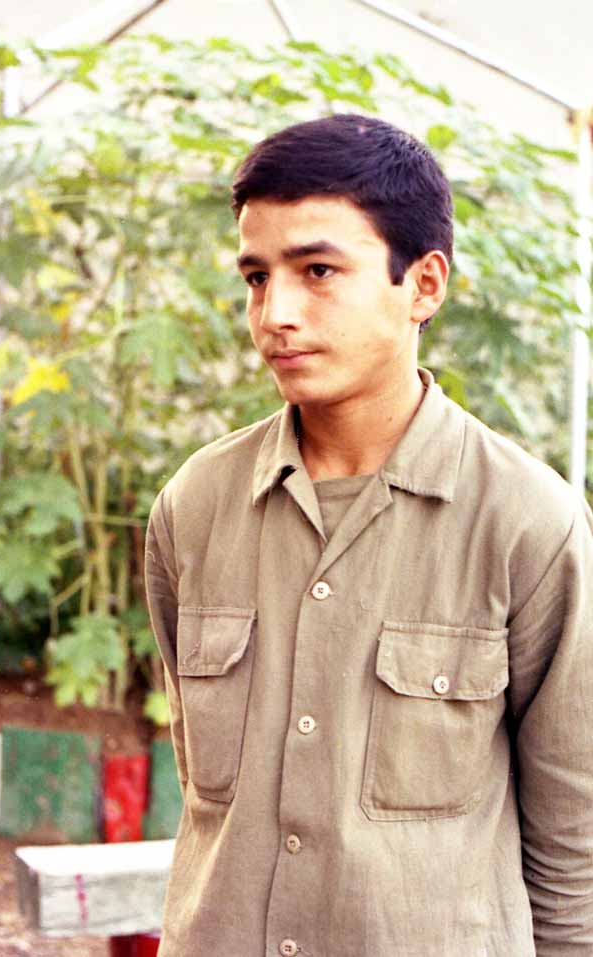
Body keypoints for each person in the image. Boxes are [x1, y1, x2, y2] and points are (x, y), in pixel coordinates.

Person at [145, 114, 593, 957]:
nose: (275, 313)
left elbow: (578, 853)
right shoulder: (194, 507)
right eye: (256, 277)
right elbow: (206, 798)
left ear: (423, 284)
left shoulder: (530, 523)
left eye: (318, 270)